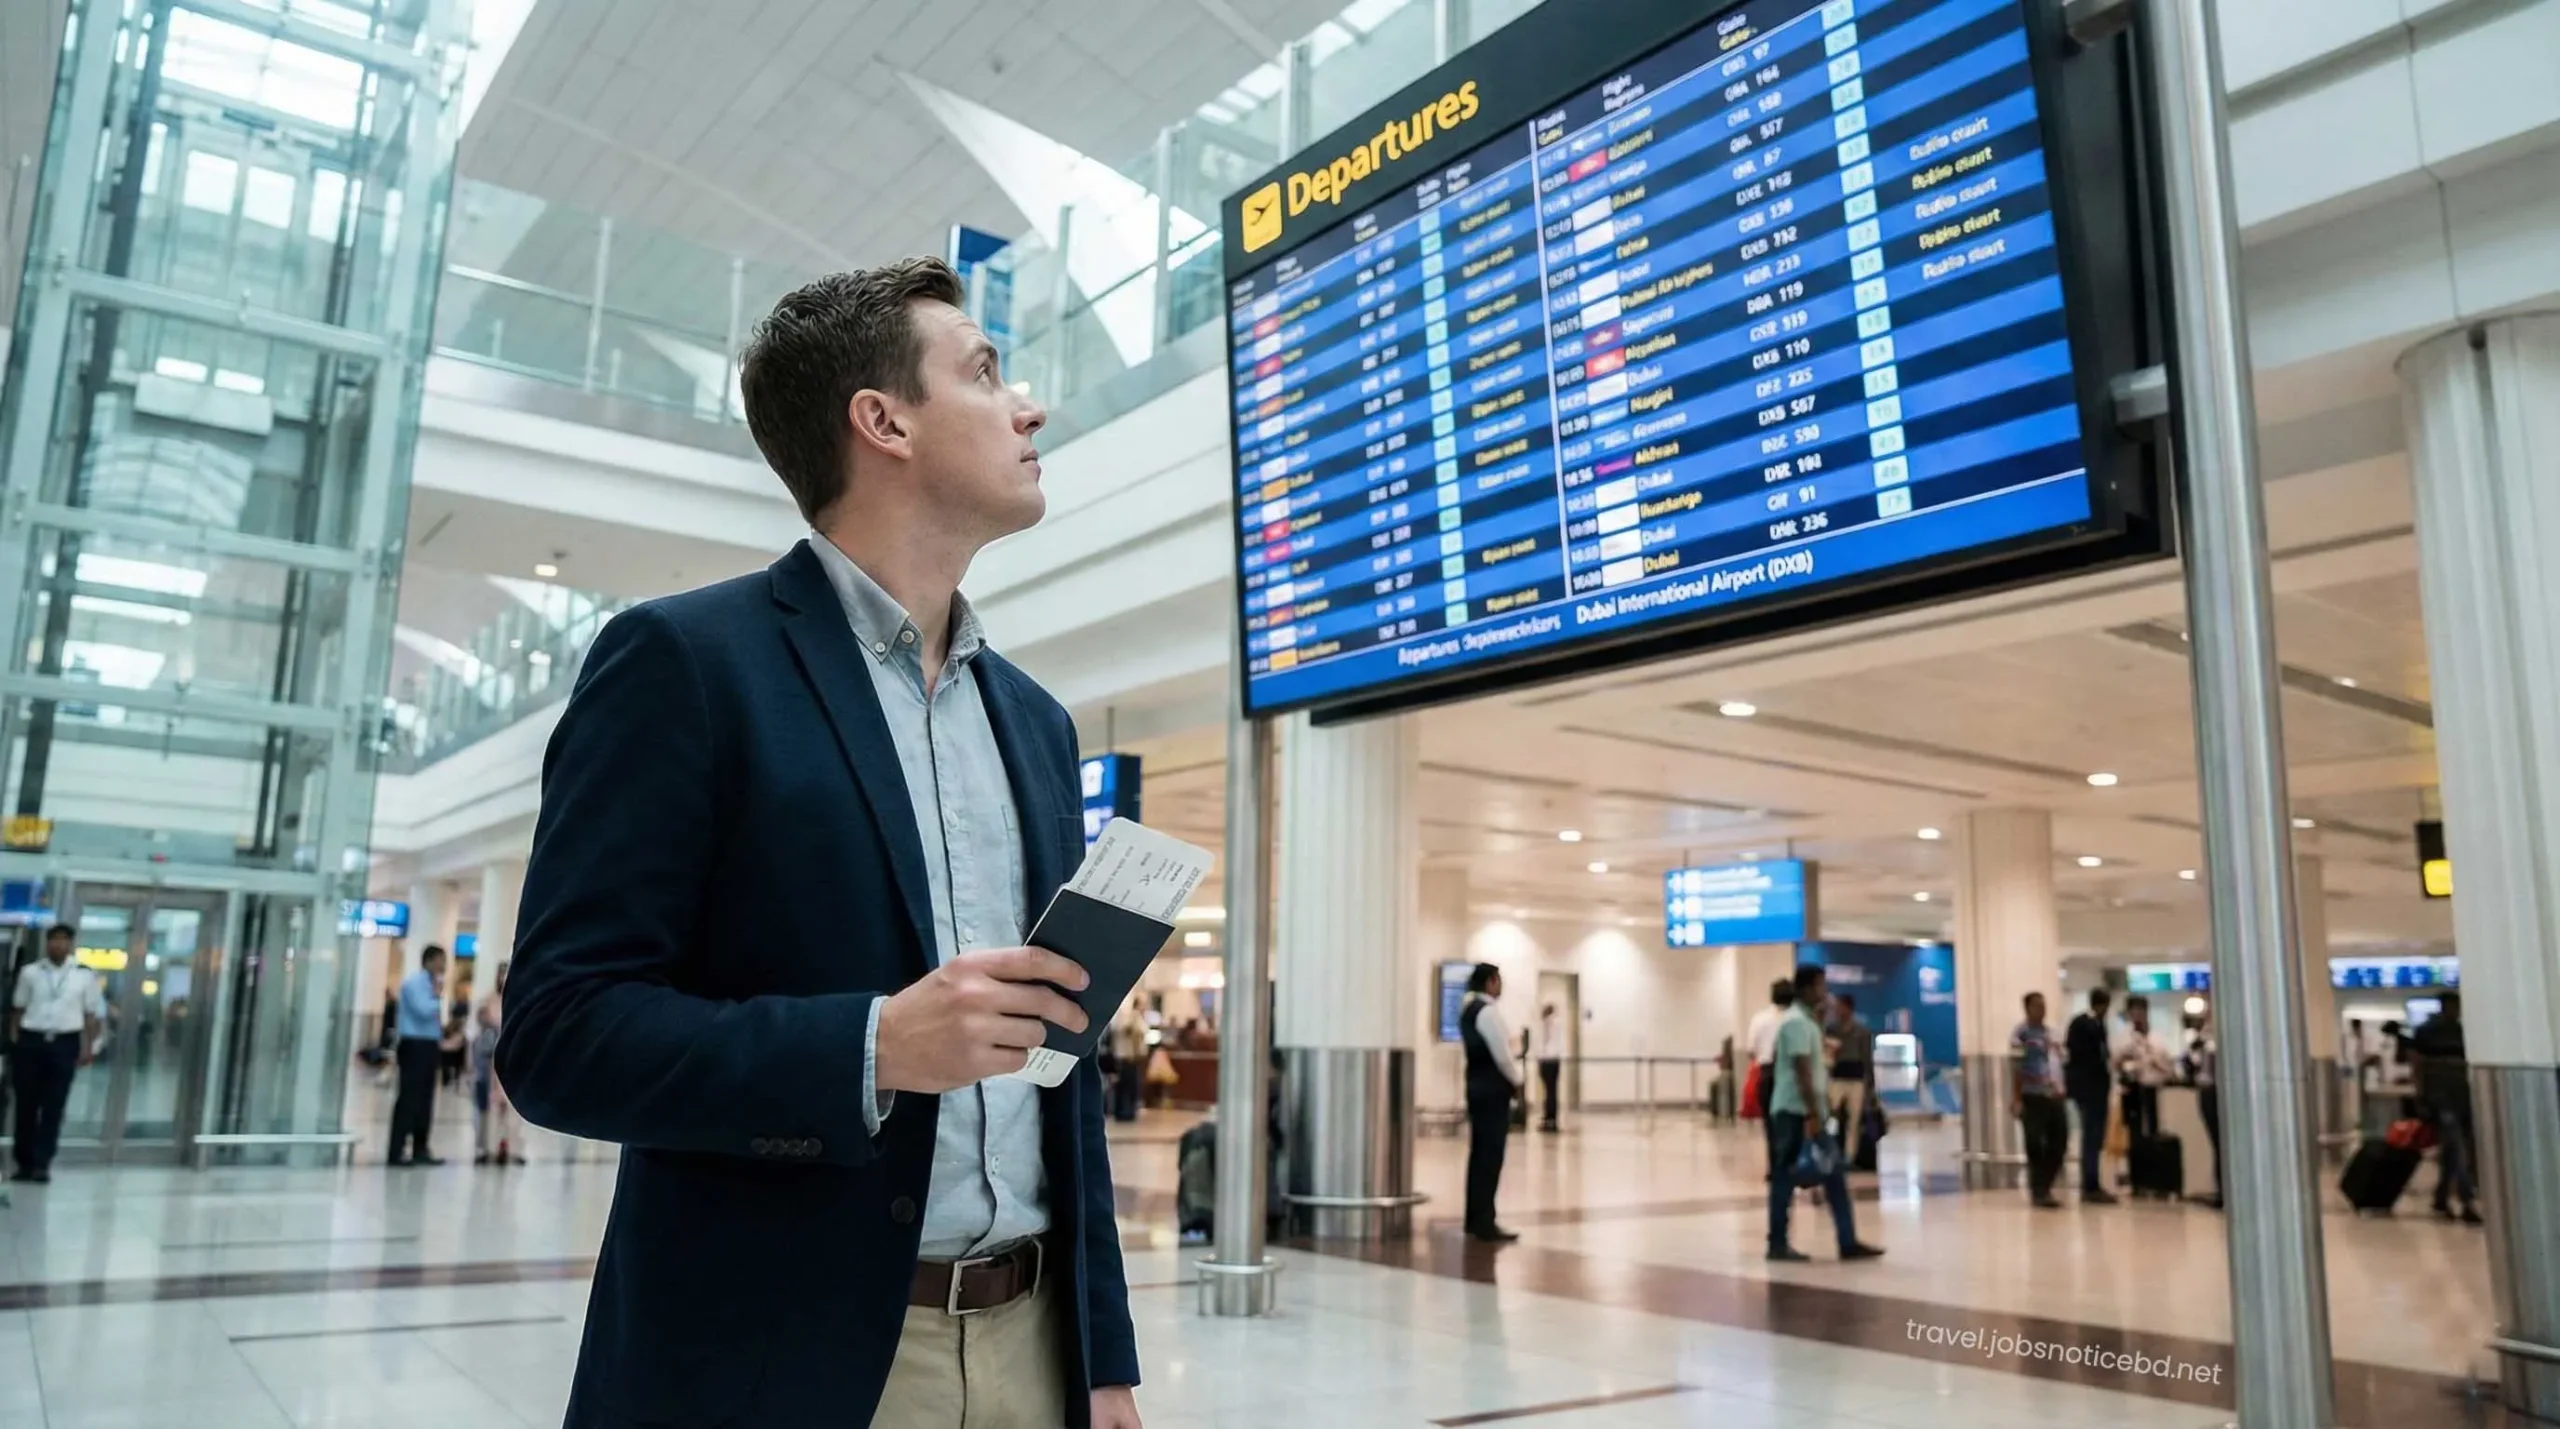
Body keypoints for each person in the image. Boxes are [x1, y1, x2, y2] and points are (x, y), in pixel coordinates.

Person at [496, 259, 1142, 1429]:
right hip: (785, 1358)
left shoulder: (1036, 723)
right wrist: (872, 1045)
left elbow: (1062, 1068)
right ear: (882, 420)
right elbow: (558, 1036)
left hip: (1032, 1350)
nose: (1028, 405)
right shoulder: (687, 667)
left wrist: (1101, 1356)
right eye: (985, 372)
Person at [1766, 964, 1884, 1263]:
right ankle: (1777, 1243)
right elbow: (1802, 1071)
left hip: (1808, 1110)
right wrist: (1813, 1115)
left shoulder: (1809, 1021)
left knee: (1834, 1174)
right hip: (1795, 1113)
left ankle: (1847, 1241)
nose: (1825, 992)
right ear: (1806, 989)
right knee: (1784, 1177)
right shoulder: (1795, 1022)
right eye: (1820, 986)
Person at [7, 924, 101, 1182]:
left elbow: (90, 1015)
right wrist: (15, 1040)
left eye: (63, 941)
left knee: (54, 1106)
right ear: (47, 943)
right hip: (31, 1041)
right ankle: (23, 1162)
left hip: (64, 1042)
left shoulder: (84, 975)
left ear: (71, 945)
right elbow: (17, 1008)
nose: (58, 945)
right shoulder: (30, 973)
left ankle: (42, 1163)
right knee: (26, 1105)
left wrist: (89, 1047)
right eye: (54, 940)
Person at [1460, 963, 1524, 1243]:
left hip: (1476, 1088)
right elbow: (1502, 1055)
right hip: (1493, 1092)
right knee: (1490, 1157)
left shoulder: (1467, 1010)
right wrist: (1519, 1080)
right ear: (1490, 982)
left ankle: (1475, 1217)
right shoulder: (1488, 1012)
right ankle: (1485, 1220)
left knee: (1479, 1156)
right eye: (1498, 980)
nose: (1500, 986)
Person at [2405, 994, 2481, 1224]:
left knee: (2452, 1151)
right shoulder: (2428, 1031)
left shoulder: (2461, 1031)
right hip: (2441, 1097)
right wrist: (2421, 1096)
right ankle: (2467, 1200)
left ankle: (2441, 1197)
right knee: (2456, 1147)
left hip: (2462, 1097)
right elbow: (2417, 1064)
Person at [388, 945, 449, 1166]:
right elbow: (423, 1011)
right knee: (409, 1099)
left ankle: (420, 1148)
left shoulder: (432, 985)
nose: (445, 966)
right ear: (430, 961)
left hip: (430, 1045)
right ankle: (396, 1151)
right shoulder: (414, 983)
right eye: (442, 960)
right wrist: (436, 996)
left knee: (426, 1099)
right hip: (414, 1045)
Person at [2012, 991, 2070, 1209]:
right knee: (2035, 1142)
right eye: (2037, 1006)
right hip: (2032, 1095)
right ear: (2027, 1008)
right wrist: (2016, 1097)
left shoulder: (2050, 1033)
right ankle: (2039, 1191)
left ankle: (2046, 1184)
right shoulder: (2021, 1034)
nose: (2042, 1009)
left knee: (2060, 1140)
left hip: (2054, 1094)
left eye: (2043, 1005)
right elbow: (2016, 1067)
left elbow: (2059, 1060)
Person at [2063, 988, 2118, 1204]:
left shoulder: (2099, 1025)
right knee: (2091, 1135)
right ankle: (2090, 1184)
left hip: (2098, 1088)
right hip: (2087, 1089)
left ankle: (2093, 1181)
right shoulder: (2082, 1024)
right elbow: (2081, 1056)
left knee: (2096, 1136)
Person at [471, 962, 521, 1166]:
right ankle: (486, 1147)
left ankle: (509, 1147)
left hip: (511, 1061)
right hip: (489, 1061)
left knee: (509, 1108)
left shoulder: (517, 1000)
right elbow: (479, 1033)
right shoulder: (488, 1002)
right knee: (487, 1106)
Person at [1745, 978, 1796, 1179]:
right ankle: (1789, 1163)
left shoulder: (1760, 1019)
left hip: (1767, 1074)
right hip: (1791, 1074)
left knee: (1770, 1123)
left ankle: (1774, 1166)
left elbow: (1751, 1051)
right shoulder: (1796, 1019)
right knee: (1791, 1122)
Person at [2113, 995, 2176, 1142]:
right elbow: (2116, 1063)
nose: (2138, 1016)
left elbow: (2166, 1064)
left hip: (2152, 1088)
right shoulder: (2123, 1038)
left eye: (2141, 1012)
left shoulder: (2156, 1037)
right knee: (2134, 1132)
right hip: (2132, 1089)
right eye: (2135, 1012)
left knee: (2153, 1130)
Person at [1827, 992, 1875, 1161]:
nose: (1837, 1010)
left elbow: (1867, 1057)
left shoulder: (1861, 1031)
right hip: (1836, 1078)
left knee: (1854, 1120)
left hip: (1856, 1079)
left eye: (1841, 1006)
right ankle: (1830, 1149)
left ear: (1849, 1008)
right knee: (1831, 1115)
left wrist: (1870, 1084)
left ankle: (1850, 1155)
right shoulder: (1830, 1030)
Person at [2185, 1011, 2222, 1208]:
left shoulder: (2212, 1042)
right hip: (2211, 1093)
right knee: (2219, 1144)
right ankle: (2222, 1189)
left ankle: (2224, 1189)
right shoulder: (2207, 1042)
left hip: (2213, 1093)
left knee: (2220, 1145)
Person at [1536, 1002, 1564, 1133]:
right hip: (1555, 1060)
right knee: (1552, 1091)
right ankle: (1551, 1119)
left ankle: (1549, 1119)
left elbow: (1544, 1044)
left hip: (1547, 1060)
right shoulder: (1558, 1023)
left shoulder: (1548, 1024)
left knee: (1549, 1092)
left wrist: (1540, 1058)